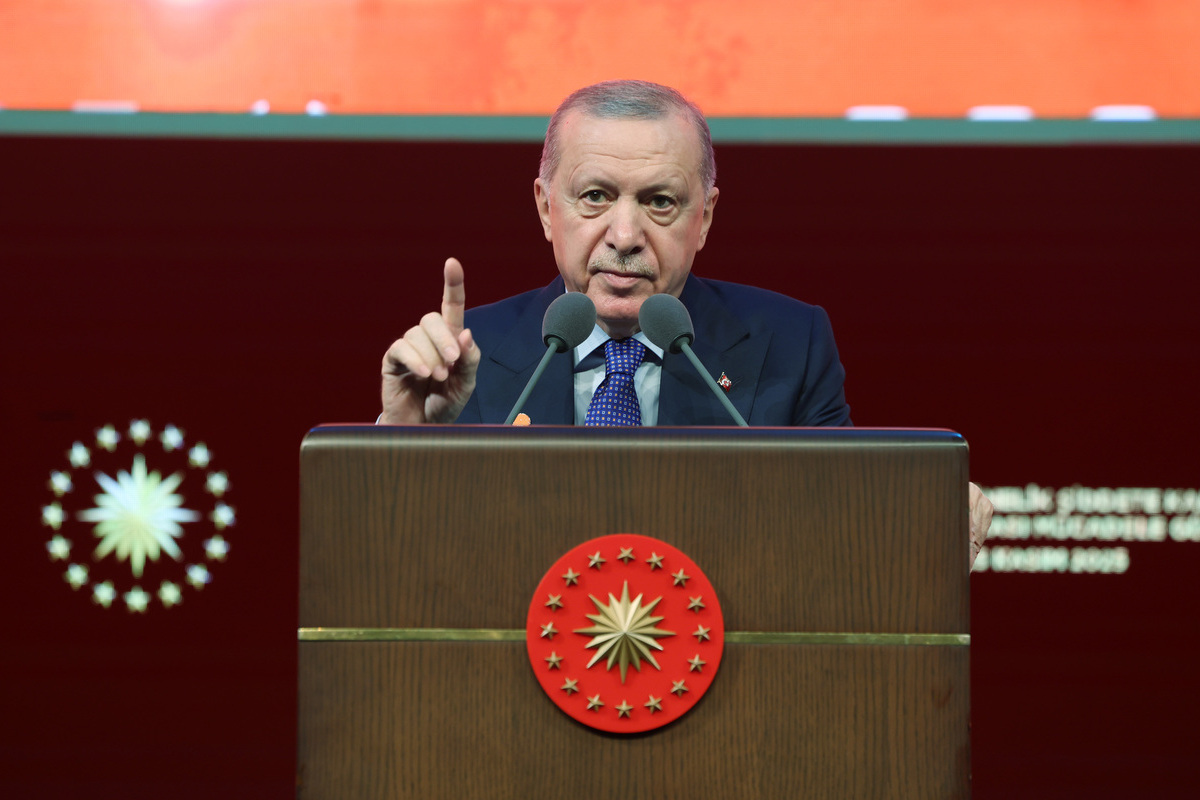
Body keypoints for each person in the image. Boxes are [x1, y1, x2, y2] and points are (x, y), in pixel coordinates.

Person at [379, 79, 992, 564]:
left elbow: (836, 525)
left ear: (704, 217)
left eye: (659, 201)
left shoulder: (787, 342)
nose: (624, 236)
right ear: (545, 207)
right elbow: (397, 566)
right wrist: (399, 437)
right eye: (595, 196)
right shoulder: (461, 360)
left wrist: (919, 526)